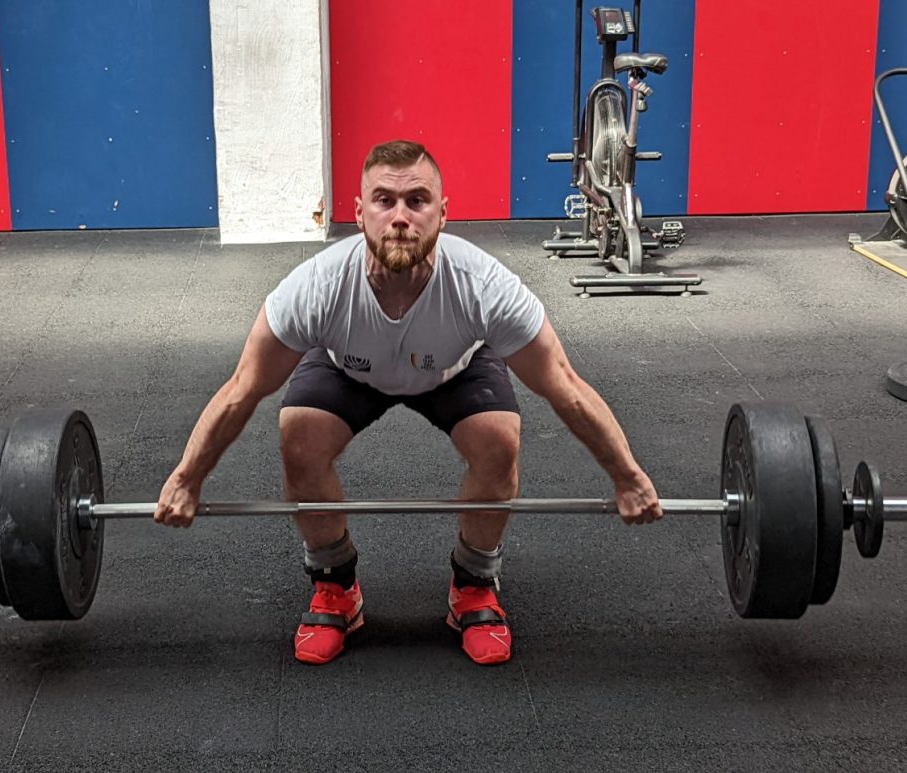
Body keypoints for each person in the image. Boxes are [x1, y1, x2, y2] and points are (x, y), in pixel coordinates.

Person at [154, 139, 662, 666]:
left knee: (498, 442)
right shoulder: (316, 288)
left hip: (453, 368)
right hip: (347, 366)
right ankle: (334, 587)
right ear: (358, 213)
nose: (400, 217)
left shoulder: (483, 287)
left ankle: (474, 586)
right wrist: (187, 478)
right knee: (299, 436)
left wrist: (627, 476)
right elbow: (243, 388)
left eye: (417, 201)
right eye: (384, 201)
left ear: (443, 214)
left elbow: (565, 385)